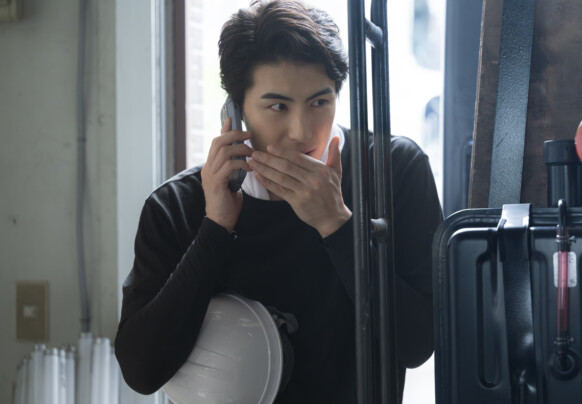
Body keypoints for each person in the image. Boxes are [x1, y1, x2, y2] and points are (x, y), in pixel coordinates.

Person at [114, 0, 443, 402]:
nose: (302, 132)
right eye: (277, 107)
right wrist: (215, 228)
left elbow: (418, 345)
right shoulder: (178, 205)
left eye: (319, 102)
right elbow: (141, 372)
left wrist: (337, 226)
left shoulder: (393, 171)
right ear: (236, 112)